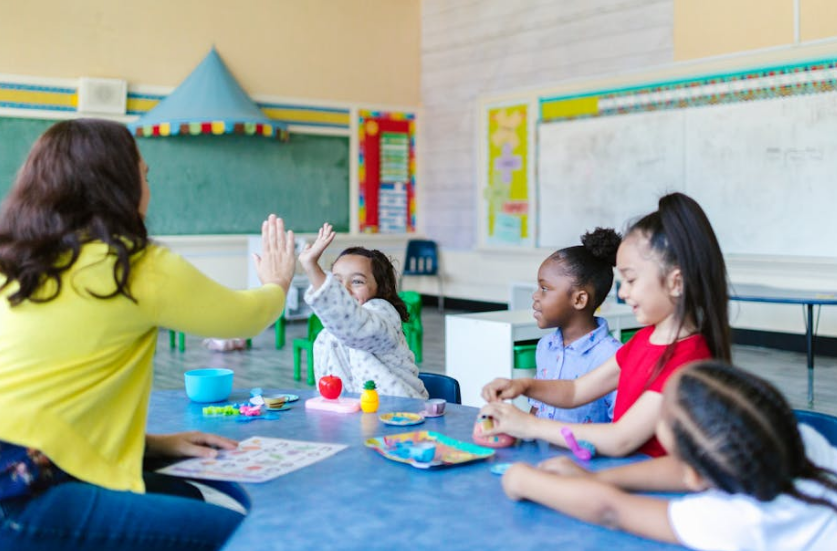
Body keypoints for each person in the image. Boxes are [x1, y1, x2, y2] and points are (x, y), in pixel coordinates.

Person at [0, 119, 297, 551]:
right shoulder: (134, 266)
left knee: (187, 494)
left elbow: (38, 403)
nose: (148, 188)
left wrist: (153, 445)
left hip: (23, 471)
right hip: (21, 496)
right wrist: (277, 283)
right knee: (245, 535)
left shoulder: (17, 263)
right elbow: (244, 319)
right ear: (116, 185)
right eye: (145, 174)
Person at [480, 192, 730, 457]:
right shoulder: (644, 340)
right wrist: (524, 386)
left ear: (676, 282)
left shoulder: (687, 361)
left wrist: (529, 426)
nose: (622, 294)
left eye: (631, 280)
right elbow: (577, 391)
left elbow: (620, 439)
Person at [500, 361, 837, 551]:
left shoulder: (738, 522)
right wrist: (597, 477)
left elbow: (611, 511)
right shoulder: (796, 440)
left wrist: (523, 479)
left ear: (696, 475)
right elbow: (688, 467)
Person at [299, 222, 427, 398]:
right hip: (355, 416)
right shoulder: (327, 335)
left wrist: (312, 267)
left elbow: (355, 326)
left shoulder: (383, 315)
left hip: (400, 413)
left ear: (382, 288)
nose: (345, 289)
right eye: (337, 282)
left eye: (357, 281)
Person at [528, 227, 622, 424]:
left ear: (579, 299)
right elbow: (537, 408)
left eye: (545, 288)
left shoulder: (612, 357)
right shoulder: (545, 346)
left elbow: (620, 426)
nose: (535, 296)